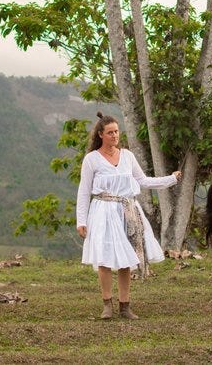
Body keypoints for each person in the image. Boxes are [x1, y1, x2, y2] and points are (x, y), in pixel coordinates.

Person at [76, 112, 181, 320]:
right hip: (102, 211)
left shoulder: (128, 156)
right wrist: (81, 220)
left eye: (116, 131)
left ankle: (125, 306)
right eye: (110, 132)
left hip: (128, 211)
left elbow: (143, 181)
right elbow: (83, 190)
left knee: (127, 259)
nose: (115, 136)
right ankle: (107, 304)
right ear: (100, 135)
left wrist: (171, 179)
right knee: (104, 259)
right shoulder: (92, 160)